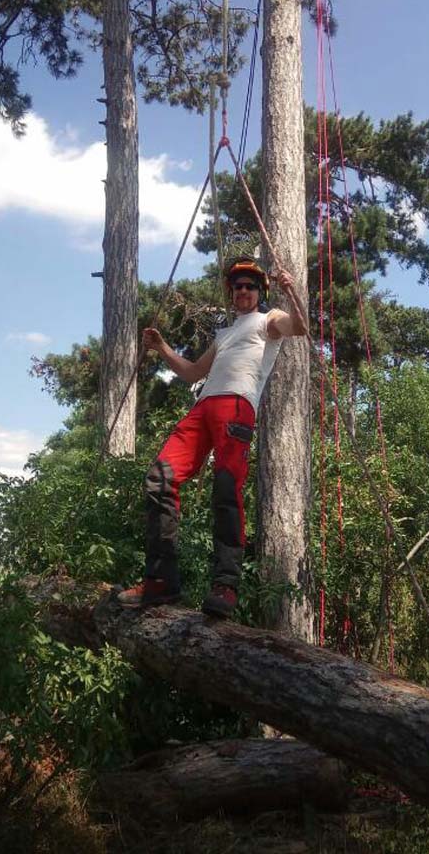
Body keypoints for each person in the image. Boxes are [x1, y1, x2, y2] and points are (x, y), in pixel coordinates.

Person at [117, 257, 307, 617]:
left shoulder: (270, 319)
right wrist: (162, 347)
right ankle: (161, 581)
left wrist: (291, 291)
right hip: (203, 408)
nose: (243, 291)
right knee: (159, 478)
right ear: (231, 293)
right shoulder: (223, 335)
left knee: (225, 487)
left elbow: (299, 327)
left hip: (236, 406)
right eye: (237, 286)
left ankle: (225, 585)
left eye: (250, 286)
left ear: (260, 292)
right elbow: (192, 374)